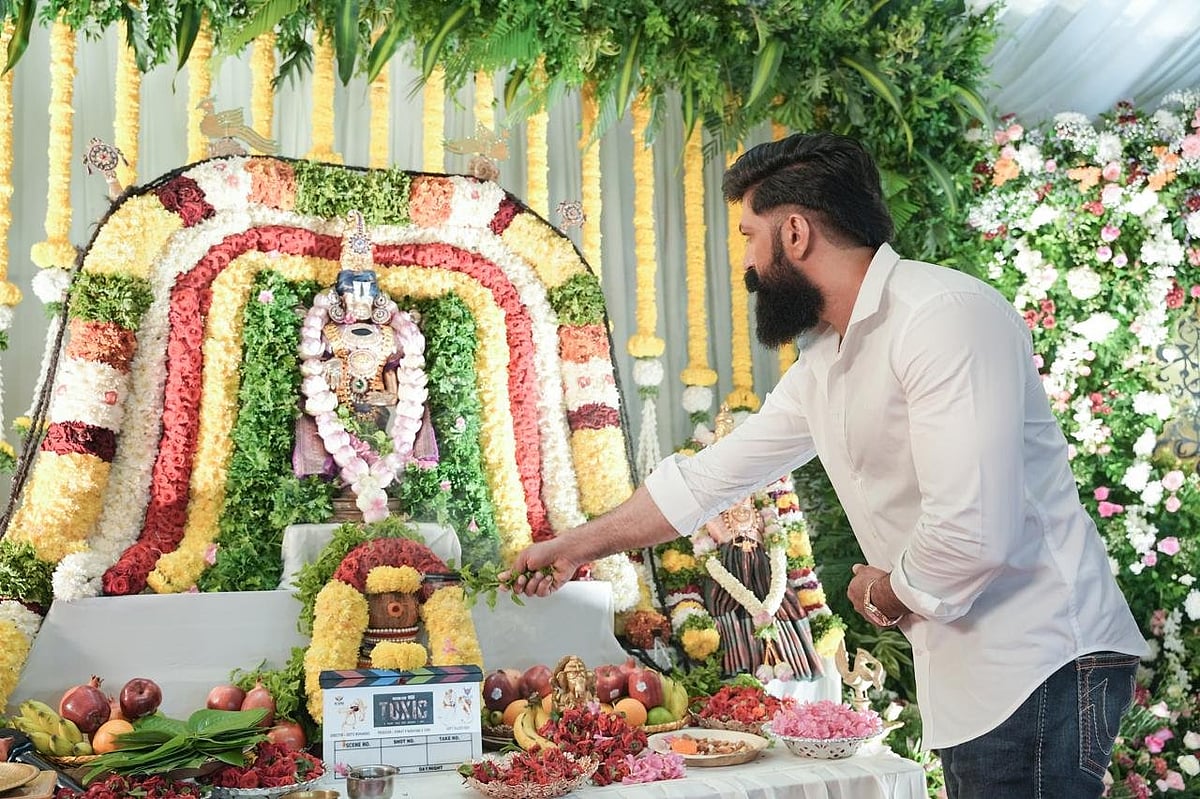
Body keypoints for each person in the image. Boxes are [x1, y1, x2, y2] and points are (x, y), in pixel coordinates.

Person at [504, 132, 1147, 798]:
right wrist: (573, 547)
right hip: (980, 672)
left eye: (750, 237)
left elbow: (973, 530)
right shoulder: (827, 360)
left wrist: (884, 595)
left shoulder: (942, 317)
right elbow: (707, 480)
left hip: (1040, 658)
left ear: (795, 233)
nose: (748, 263)